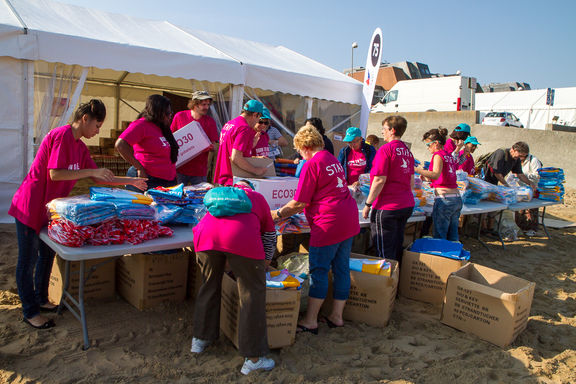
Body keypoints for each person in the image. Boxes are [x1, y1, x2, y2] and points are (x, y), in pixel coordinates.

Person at [9, 100, 147, 330]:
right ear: (85, 119)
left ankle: (42, 299)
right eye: (97, 125)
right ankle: (30, 311)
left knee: (46, 255)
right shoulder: (62, 136)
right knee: (28, 260)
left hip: (49, 209)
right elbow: (55, 174)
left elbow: (99, 178)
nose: (98, 131)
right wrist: (92, 171)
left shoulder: (81, 147)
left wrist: (132, 181)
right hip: (29, 205)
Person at [272, 125, 359, 333]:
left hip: (328, 223)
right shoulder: (332, 159)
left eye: (300, 151)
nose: (300, 155)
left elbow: (299, 203)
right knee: (341, 268)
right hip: (347, 218)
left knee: (319, 270)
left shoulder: (312, 164)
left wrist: (275, 214)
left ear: (305, 146)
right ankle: (336, 316)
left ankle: (311, 320)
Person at [190, 181, 276, 375]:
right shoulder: (257, 198)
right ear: (250, 188)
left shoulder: (218, 196)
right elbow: (270, 234)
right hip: (241, 240)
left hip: (205, 238)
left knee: (208, 286)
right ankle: (254, 358)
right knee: (252, 294)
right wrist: (266, 262)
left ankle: (200, 339)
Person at [362, 116, 414, 264]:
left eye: (384, 129)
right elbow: (411, 182)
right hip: (405, 204)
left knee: (384, 251)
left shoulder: (386, 150)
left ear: (392, 130)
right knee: (396, 245)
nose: (382, 132)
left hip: (387, 206)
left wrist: (368, 204)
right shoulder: (407, 151)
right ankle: (395, 281)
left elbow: (379, 180)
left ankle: (388, 282)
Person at [115, 94, 179, 192]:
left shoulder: (162, 127)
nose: (170, 116)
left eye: (171, 112)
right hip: (148, 180)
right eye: (167, 113)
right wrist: (139, 168)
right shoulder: (141, 125)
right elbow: (121, 145)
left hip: (167, 181)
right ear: (157, 112)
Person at [415, 128, 463, 241]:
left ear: (436, 143)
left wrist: (417, 170)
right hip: (456, 198)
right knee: (453, 234)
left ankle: (442, 257)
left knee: (440, 235)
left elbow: (435, 174)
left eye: (428, 145)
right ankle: (454, 256)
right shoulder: (448, 155)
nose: (428, 148)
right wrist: (426, 177)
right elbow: (441, 175)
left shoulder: (438, 155)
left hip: (445, 199)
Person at [213, 100, 268, 185]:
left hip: (223, 177)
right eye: (259, 118)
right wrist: (256, 170)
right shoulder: (244, 128)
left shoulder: (229, 124)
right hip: (233, 180)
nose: (257, 122)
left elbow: (230, 148)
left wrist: (251, 144)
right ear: (255, 115)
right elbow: (236, 157)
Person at [170, 91, 219, 185]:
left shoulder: (210, 122)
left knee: (198, 197)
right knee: (177, 196)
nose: (206, 107)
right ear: (194, 104)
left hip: (199, 171)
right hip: (179, 168)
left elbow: (214, 146)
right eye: (203, 104)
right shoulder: (180, 116)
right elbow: (171, 138)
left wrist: (210, 147)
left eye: (208, 104)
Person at [514, 151, 543, 236]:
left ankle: (532, 228)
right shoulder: (516, 160)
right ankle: (520, 227)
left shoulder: (533, 161)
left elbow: (537, 175)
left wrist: (525, 176)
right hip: (520, 189)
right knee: (519, 209)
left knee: (531, 209)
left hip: (531, 189)